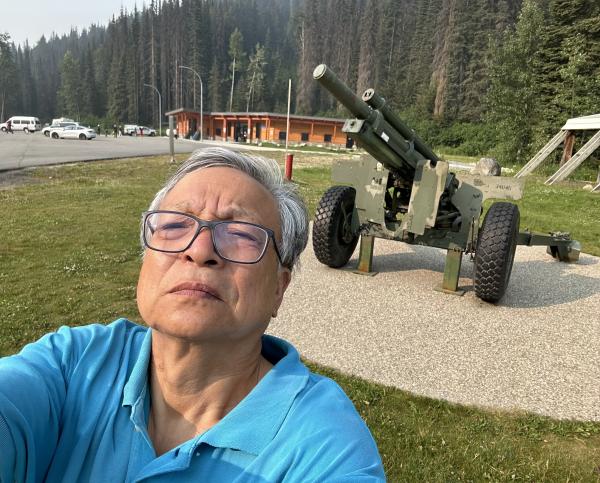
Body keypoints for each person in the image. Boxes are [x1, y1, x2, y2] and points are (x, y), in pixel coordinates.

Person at [0, 147, 385, 481]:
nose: (199, 250)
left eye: (241, 234)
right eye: (174, 225)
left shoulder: (324, 446)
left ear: (278, 289)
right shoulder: (74, 363)